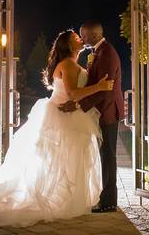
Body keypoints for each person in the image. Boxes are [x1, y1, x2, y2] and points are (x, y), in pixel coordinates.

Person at [0, 29, 114, 227]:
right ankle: (60, 200)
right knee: (62, 159)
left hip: (71, 114)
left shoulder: (73, 63)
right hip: (62, 116)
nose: (80, 39)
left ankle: (68, 199)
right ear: (69, 45)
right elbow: (73, 93)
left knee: (67, 159)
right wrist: (99, 87)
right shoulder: (67, 64)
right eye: (76, 38)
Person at [58, 20, 124, 212]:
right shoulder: (99, 52)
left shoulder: (107, 54)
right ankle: (107, 198)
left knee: (108, 156)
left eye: (83, 35)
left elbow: (106, 90)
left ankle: (109, 202)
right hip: (102, 110)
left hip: (108, 111)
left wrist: (78, 104)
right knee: (105, 155)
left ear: (93, 35)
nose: (81, 39)